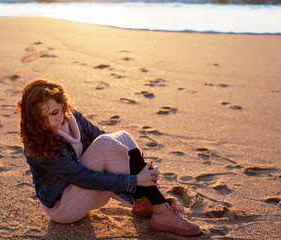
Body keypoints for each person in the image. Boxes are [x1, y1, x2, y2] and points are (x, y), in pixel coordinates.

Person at [17, 79, 202, 236]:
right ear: (32, 118)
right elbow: (82, 178)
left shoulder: (73, 117)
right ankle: (158, 208)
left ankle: (144, 202)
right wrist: (137, 179)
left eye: (55, 112)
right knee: (109, 143)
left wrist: (138, 167)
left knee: (122, 136)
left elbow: (106, 140)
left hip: (82, 193)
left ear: (63, 105)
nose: (50, 122)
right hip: (62, 208)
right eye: (41, 118)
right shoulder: (36, 145)